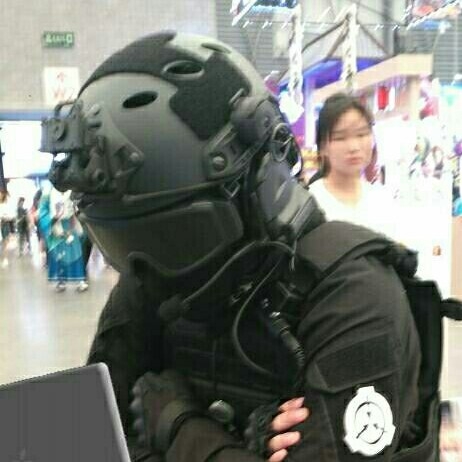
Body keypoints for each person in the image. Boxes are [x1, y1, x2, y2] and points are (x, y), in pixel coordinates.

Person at [41, 32, 429, 461]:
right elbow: (86, 438)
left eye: (181, 232)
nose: (150, 268)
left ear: (258, 181)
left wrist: (178, 425)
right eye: (120, 242)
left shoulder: (358, 297)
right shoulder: (155, 270)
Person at [308, 92, 397, 238]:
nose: (353, 147)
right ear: (323, 147)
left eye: (361, 134)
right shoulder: (310, 203)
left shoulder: (382, 200)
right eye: (340, 138)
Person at [0, 189, 15, 268]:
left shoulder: (5, 205)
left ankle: (5, 259)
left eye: (1, 194)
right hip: (3, 224)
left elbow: (11, 216)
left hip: (4, 224)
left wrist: (5, 217)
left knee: (5, 242)